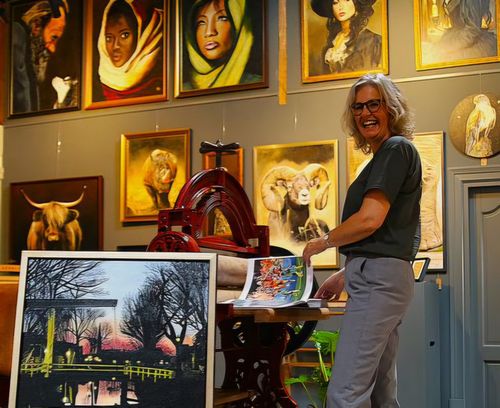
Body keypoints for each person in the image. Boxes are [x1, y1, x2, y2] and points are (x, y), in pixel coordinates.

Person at [303, 73, 422, 408]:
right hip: (384, 277)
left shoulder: (395, 149)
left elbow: (370, 219)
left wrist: (323, 241)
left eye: (374, 104)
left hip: (379, 282)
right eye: (358, 107)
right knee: (381, 392)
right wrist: (346, 273)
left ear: (391, 108)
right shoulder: (387, 155)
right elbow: (390, 232)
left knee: (345, 393)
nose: (365, 113)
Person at [183, 0, 262, 90]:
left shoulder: (255, 84)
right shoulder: (184, 89)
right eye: (201, 22)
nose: (209, 32)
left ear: (239, 26)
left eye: (222, 18)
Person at [97, 0, 163, 100]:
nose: (115, 46)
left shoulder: (161, 77)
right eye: (109, 38)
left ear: (141, 35)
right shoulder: (103, 80)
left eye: (124, 35)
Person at [11, 0, 69, 113]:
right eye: (53, 37)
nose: (52, 49)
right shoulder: (17, 34)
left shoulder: (32, 59)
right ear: (37, 26)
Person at [310, 0, 382, 75]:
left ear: (356, 4)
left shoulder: (373, 41)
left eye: (346, 0)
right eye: (335, 2)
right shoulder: (332, 42)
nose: (340, 7)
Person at [423, 0, 496, 65]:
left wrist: (446, 46)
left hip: (474, 42)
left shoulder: (471, 2)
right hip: (460, 36)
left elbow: (472, 31)